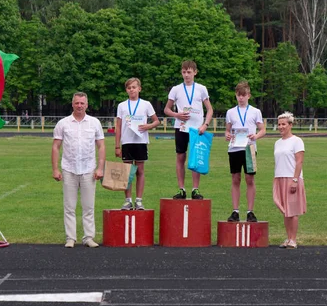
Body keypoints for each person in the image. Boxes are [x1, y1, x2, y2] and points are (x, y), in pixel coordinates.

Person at [52, 92, 105, 249]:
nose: (80, 106)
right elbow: (56, 146)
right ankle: (71, 238)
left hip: (89, 169)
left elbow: (101, 146)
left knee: (88, 206)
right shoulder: (63, 123)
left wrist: (100, 168)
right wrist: (55, 169)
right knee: (69, 206)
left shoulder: (94, 123)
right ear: (72, 104)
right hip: (69, 169)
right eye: (77, 103)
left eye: (82, 103)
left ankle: (88, 237)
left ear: (87, 105)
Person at [164, 60, 214, 200]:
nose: (186, 75)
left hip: (197, 129)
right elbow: (166, 109)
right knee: (181, 157)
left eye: (189, 72)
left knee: (196, 158)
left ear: (195, 72)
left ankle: (195, 190)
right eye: (184, 72)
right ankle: (181, 189)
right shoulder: (176, 89)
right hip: (181, 128)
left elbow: (210, 109)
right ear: (181, 73)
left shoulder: (201, 89)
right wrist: (177, 115)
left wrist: (205, 125)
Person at [115, 78, 161, 210]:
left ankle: (139, 200)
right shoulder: (122, 106)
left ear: (139, 89)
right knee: (127, 172)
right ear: (126, 90)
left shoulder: (146, 104)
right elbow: (118, 126)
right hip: (127, 142)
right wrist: (117, 146)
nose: (132, 90)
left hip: (140, 141)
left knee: (140, 170)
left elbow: (156, 121)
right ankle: (127, 200)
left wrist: (148, 126)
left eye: (134, 87)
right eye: (129, 88)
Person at [225, 81, 266, 222]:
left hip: (250, 149)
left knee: (250, 179)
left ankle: (250, 211)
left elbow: (263, 129)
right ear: (236, 96)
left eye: (243, 95)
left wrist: (256, 136)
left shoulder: (255, 112)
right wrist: (227, 135)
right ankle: (235, 211)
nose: (241, 98)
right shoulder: (230, 112)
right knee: (235, 179)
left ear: (249, 95)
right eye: (238, 95)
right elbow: (227, 130)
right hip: (234, 148)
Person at [273, 111, 306, 249]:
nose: (281, 127)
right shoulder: (277, 143)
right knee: (285, 210)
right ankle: (288, 237)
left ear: (290, 125)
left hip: (292, 178)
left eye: (284, 124)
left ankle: (293, 239)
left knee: (293, 210)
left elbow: (299, 162)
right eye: (279, 124)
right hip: (280, 177)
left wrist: (295, 180)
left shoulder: (297, 141)